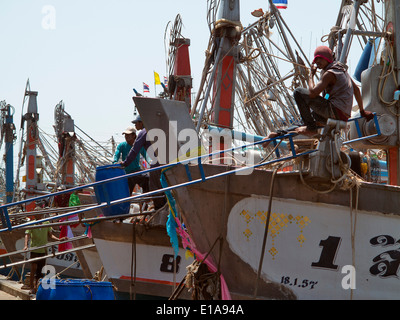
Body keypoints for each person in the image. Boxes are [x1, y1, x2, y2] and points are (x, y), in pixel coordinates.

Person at [294, 45, 374, 137]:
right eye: (316, 59)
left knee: (298, 92)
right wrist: (362, 111)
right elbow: (356, 89)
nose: (317, 61)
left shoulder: (329, 74)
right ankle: (280, 132)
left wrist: (311, 75)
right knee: (309, 117)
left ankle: (311, 129)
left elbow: (312, 93)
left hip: (334, 111)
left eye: (320, 58)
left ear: (327, 58)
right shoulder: (341, 70)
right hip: (342, 115)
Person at [122, 115, 166, 210]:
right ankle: (164, 208)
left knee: (155, 188)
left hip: (156, 164)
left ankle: (159, 210)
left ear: (141, 123)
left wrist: (125, 163)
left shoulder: (143, 132)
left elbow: (134, 151)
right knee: (163, 187)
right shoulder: (156, 131)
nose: (135, 125)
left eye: (136, 123)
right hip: (166, 162)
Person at [23, 210, 67, 294]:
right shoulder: (32, 223)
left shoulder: (46, 223)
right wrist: (26, 245)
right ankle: (31, 287)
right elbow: (27, 235)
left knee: (40, 270)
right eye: (36, 214)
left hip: (43, 250)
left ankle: (37, 287)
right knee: (33, 268)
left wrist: (58, 239)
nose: (38, 216)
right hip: (34, 249)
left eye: (39, 214)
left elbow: (50, 235)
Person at [114, 126, 149, 195]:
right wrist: (115, 161)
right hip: (126, 173)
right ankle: (126, 204)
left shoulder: (139, 145)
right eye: (125, 135)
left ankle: (146, 198)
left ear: (134, 136)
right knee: (126, 194)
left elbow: (146, 155)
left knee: (147, 179)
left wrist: (151, 163)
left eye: (128, 135)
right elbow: (117, 153)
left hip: (136, 171)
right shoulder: (122, 145)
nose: (126, 137)